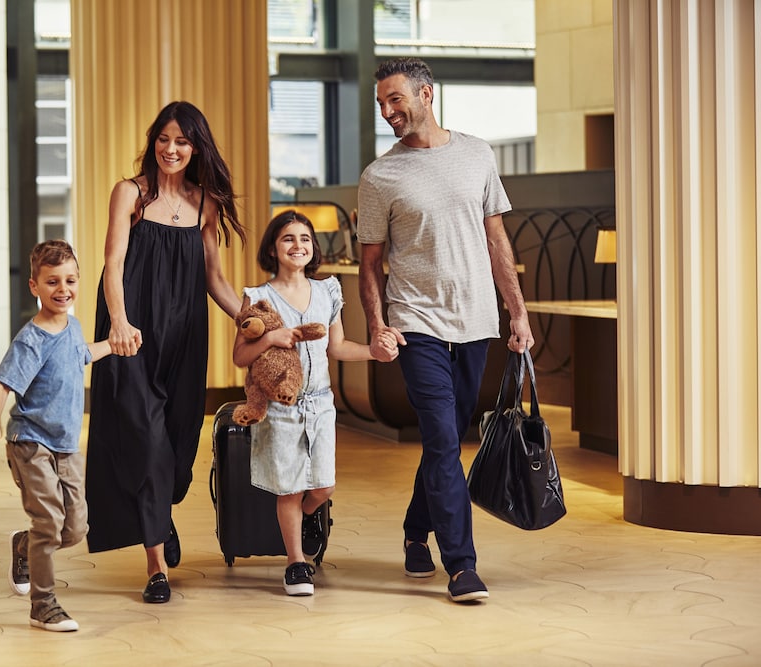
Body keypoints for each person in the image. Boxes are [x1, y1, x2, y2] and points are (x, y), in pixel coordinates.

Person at [357, 57, 534, 604]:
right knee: (440, 437)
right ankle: (461, 566)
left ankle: (416, 528)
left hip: (476, 320)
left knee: (446, 441)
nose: (388, 112)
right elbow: (370, 265)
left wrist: (518, 312)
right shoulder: (379, 176)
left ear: (426, 94)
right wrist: (379, 326)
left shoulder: (478, 155)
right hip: (417, 325)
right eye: (381, 104)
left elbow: (496, 240)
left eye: (395, 100)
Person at [86, 101, 246, 604]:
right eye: (163, 139)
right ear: (153, 141)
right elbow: (112, 264)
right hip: (130, 334)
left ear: (195, 147)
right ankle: (156, 567)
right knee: (148, 442)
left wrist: (258, 321)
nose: (171, 149)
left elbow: (214, 280)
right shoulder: (130, 194)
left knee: (177, 454)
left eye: (181, 141)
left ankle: (161, 510)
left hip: (185, 337)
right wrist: (118, 322)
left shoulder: (205, 204)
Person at [233, 210, 375, 596]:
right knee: (290, 490)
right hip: (280, 409)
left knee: (323, 487)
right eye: (288, 239)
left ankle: (306, 519)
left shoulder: (328, 291)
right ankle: (296, 563)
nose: (298, 245)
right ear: (274, 249)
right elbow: (241, 358)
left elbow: (339, 347)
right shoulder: (258, 298)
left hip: (320, 405)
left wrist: (374, 352)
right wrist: (269, 340)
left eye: (305, 239)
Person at [0, 240, 111, 632]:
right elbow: (2, 383)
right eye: (52, 282)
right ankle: (43, 605)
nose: (62, 289)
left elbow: (80, 353)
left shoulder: (73, 325)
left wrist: (114, 347)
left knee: (75, 528)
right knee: (50, 523)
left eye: (70, 280)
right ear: (34, 286)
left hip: (67, 445)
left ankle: (24, 545)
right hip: (31, 442)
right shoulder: (30, 339)